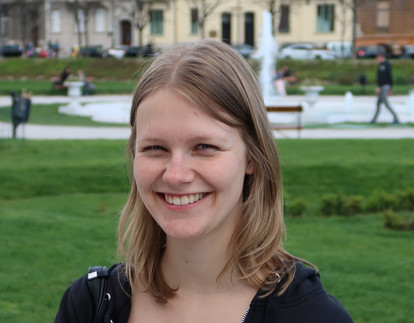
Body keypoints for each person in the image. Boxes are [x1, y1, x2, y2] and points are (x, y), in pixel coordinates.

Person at [54, 40, 353, 322]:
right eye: (155, 148)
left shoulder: (312, 316)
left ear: (252, 156)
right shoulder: (87, 306)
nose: (176, 174)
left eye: (204, 147)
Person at [370, 53, 400, 124]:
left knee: (385, 103)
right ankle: (374, 119)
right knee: (378, 103)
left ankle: (396, 118)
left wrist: (384, 87)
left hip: (384, 86)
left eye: (378, 58)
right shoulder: (381, 65)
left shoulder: (386, 65)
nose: (377, 60)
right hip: (382, 86)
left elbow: (386, 77)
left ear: (381, 57)